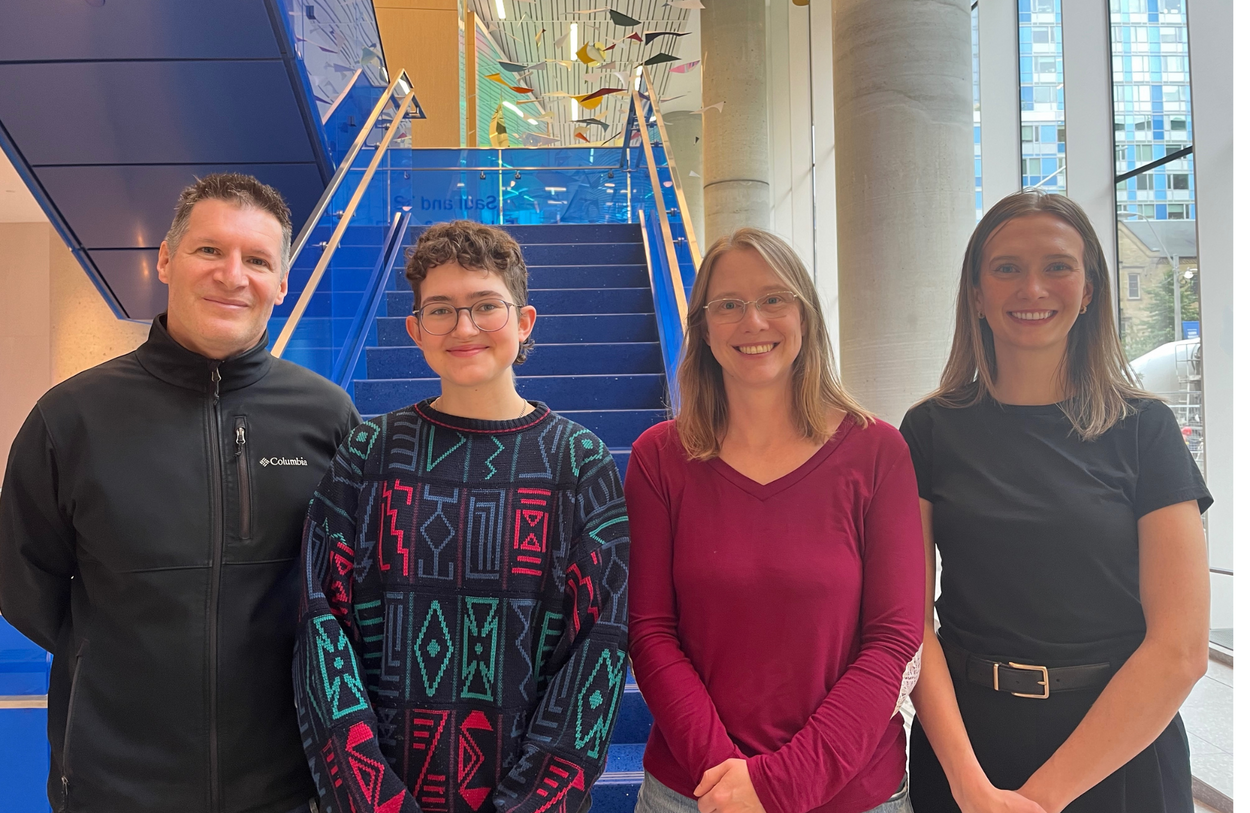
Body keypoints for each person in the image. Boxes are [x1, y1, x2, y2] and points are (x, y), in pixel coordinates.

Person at [0, 173, 360, 812]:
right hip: (114, 784)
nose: (232, 274)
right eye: (208, 251)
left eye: (257, 260)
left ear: (281, 282)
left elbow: (352, 586)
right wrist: (113, 654)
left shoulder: (327, 416)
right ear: (165, 259)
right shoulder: (72, 416)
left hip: (288, 784)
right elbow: (26, 582)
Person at [293, 220, 629, 813]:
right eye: (441, 310)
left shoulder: (578, 463)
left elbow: (596, 650)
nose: (464, 327)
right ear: (415, 330)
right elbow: (323, 631)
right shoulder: (368, 454)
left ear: (523, 322)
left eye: (485, 306)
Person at [901, 190, 1211, 813]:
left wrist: (1041, 801)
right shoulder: (931, 430)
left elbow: (1180, 649)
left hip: (1119, 748)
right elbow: (911, 625)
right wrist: (971, 787)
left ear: (1090, 288)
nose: (1032, 288)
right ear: (977, 293)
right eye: (1007, 267)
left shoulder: (1143, 428)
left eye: (1058, 267)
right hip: (967, 753)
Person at [626, 228, 925, 813]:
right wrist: (727, 780)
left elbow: (894, 641)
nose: (753, 322)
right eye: (729, 305)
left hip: (852, 795)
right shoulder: (659, 458)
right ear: (704, 328)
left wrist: (777, 787)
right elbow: (649, 632)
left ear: (806, 316)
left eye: (773, 299)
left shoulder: (877, 452)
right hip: (696, 794)